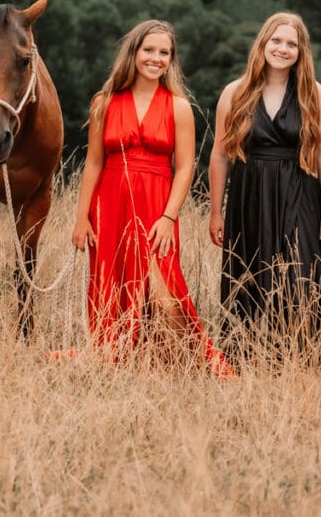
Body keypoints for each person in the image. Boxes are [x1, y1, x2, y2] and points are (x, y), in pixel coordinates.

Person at [69, 20, 234, 378]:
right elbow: (94, 162)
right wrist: (82, 217)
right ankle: (112, 354)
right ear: (133, 52)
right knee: (108, 281)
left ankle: (185, 361)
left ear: (171, 59)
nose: (156, 58)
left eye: (164, 52)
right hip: (110, 201)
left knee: (164, 288)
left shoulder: (178, 106)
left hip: (158, 204)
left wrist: (169, 217)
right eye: (149, 50)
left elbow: (186, 168)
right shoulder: (105, 101)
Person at [208, 12, 321, 358]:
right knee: (247, 273)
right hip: (249, 191)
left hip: (300, 189)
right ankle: (243, 354)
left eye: (291, 43)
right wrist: (215, 211)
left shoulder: (314, 93)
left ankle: (300, 356)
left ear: (301, 50)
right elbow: (220, 155)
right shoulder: (235, 92)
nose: (282, 49)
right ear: (263, 43)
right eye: (276, 41)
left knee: (299, 274)